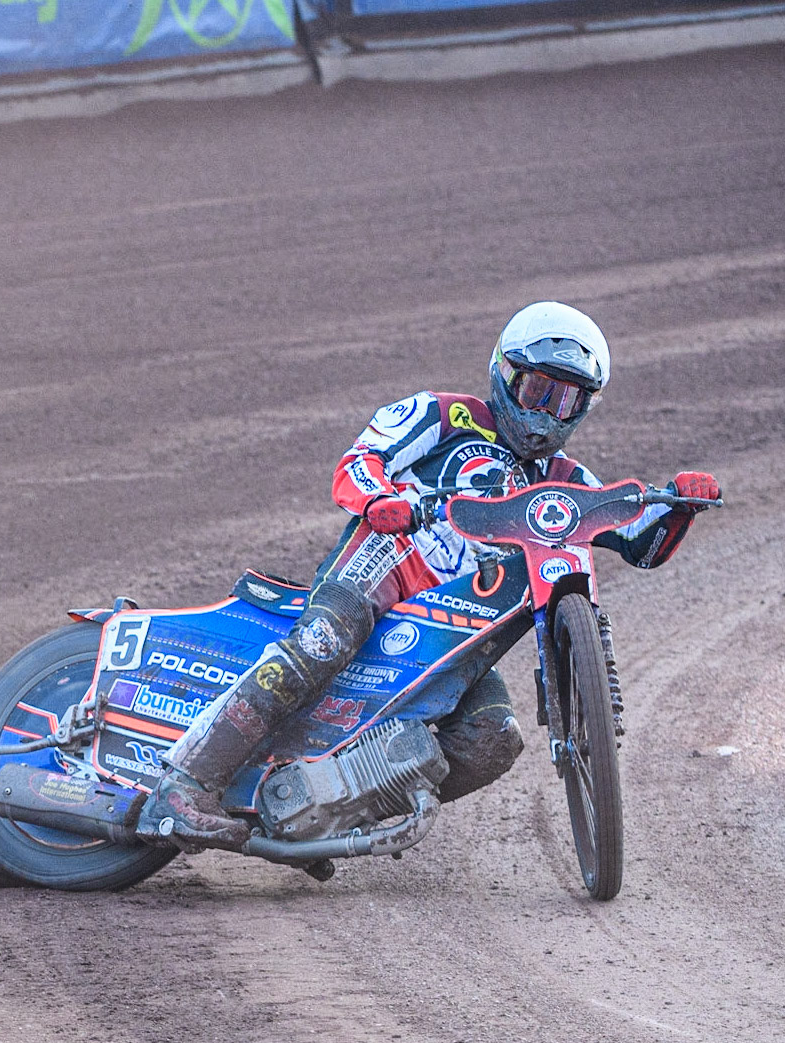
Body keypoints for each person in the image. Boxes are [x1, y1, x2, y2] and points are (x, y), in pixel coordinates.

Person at [136, 301, 722, 851]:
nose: (545, 412)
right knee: (323, 641)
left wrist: (680, 506)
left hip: (457, 629)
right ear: (504, 373)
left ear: (584, 408)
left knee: (492, 739)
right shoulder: (443, 416)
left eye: (564, 401)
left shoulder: (567, 479)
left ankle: (323, 814)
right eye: (536, 389)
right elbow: (357, 461)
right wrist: (380, 503)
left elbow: (640, 543)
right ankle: (182, 785)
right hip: (387, 567)